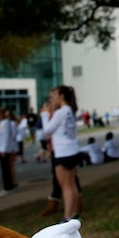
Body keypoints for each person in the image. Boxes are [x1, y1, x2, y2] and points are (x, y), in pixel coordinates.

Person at [42, 85, 82, 222]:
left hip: (62, 153)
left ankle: (67, 216)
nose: (51, 99)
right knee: (72, 184)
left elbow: (47, 129)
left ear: (61, 96)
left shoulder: (60, 112)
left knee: (65, 186)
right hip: (72, 150)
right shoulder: (69, 110)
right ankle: (74, 213)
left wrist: (45, 114)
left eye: (54, 95)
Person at [0, 108, 19, 196]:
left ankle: (7, 187)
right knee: (6, 168)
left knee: (6, 169)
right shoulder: (2, 123)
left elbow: (6, 137)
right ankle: (9, 185)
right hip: (1, 148)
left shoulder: (6, 123)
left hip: (4, 149)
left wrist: (4, 150)